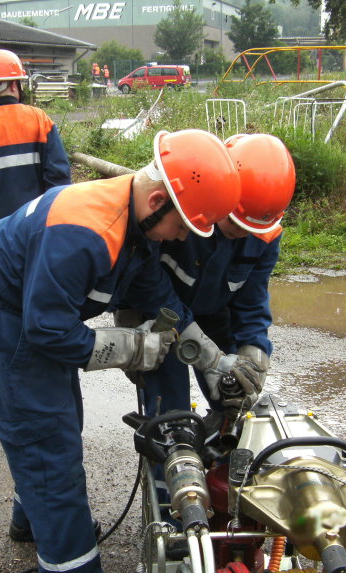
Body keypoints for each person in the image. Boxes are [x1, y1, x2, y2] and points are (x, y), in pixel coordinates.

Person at [0, 129, 261, 573]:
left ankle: (36, 520)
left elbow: (156, 295)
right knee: (47, 442)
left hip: (28, 313)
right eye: (182, 226)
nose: (182, 238)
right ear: (157, 201)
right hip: (3, 319)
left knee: (56, 426)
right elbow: (48, 330)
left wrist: (213, 359)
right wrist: (131, 347)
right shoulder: (87, 232)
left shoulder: (135, 223)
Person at [127, 133, 296, 420]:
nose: (242, 234)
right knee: (170, 412)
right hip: (161, 314)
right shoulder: (181, 216)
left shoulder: (265, 235)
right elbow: (150, 285)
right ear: (222, 189)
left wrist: (254, 355)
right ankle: (171, 442)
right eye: (235, 223)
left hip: (217, 314)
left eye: (251, 229)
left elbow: (252, 300)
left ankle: (224, 442)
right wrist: (206, 354)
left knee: (234, 399)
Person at [0, 49, 71, 241]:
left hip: (1, 235)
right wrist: (55, 226)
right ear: (14, 83)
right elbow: (59, 177)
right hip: (39, 228)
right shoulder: (40, 120)